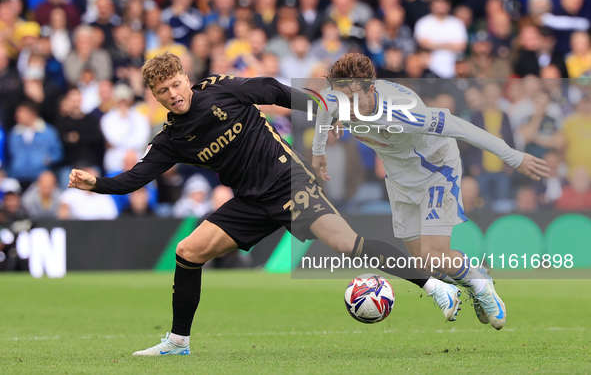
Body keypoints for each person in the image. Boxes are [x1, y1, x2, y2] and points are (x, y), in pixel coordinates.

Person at [68, 52, 462, 356]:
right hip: (250, 202)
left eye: (175, 84)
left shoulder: (222, 89)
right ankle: (177, 341)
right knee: (187, 252)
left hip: (287, 183)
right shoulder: (170, 139)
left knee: (348, 245)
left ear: (187, 79)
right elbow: (134, 179)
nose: (173, 95)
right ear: (153, 96)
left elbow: (272, 90)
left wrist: (322, 108)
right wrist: (96, 183)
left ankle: (433, 286)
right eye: (162, 92)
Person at [311, 53, 550, 331]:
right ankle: (473, 277)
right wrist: (319, 152)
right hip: (399, 179)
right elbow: (323, 107)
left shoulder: (405, 111)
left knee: (434, 255)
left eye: (353, 100)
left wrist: (513, 156)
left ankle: (480, 285)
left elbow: (461, 128)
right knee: (425, 266)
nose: (346, 107)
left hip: (436, 169)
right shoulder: (338, 96)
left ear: (370, 89)